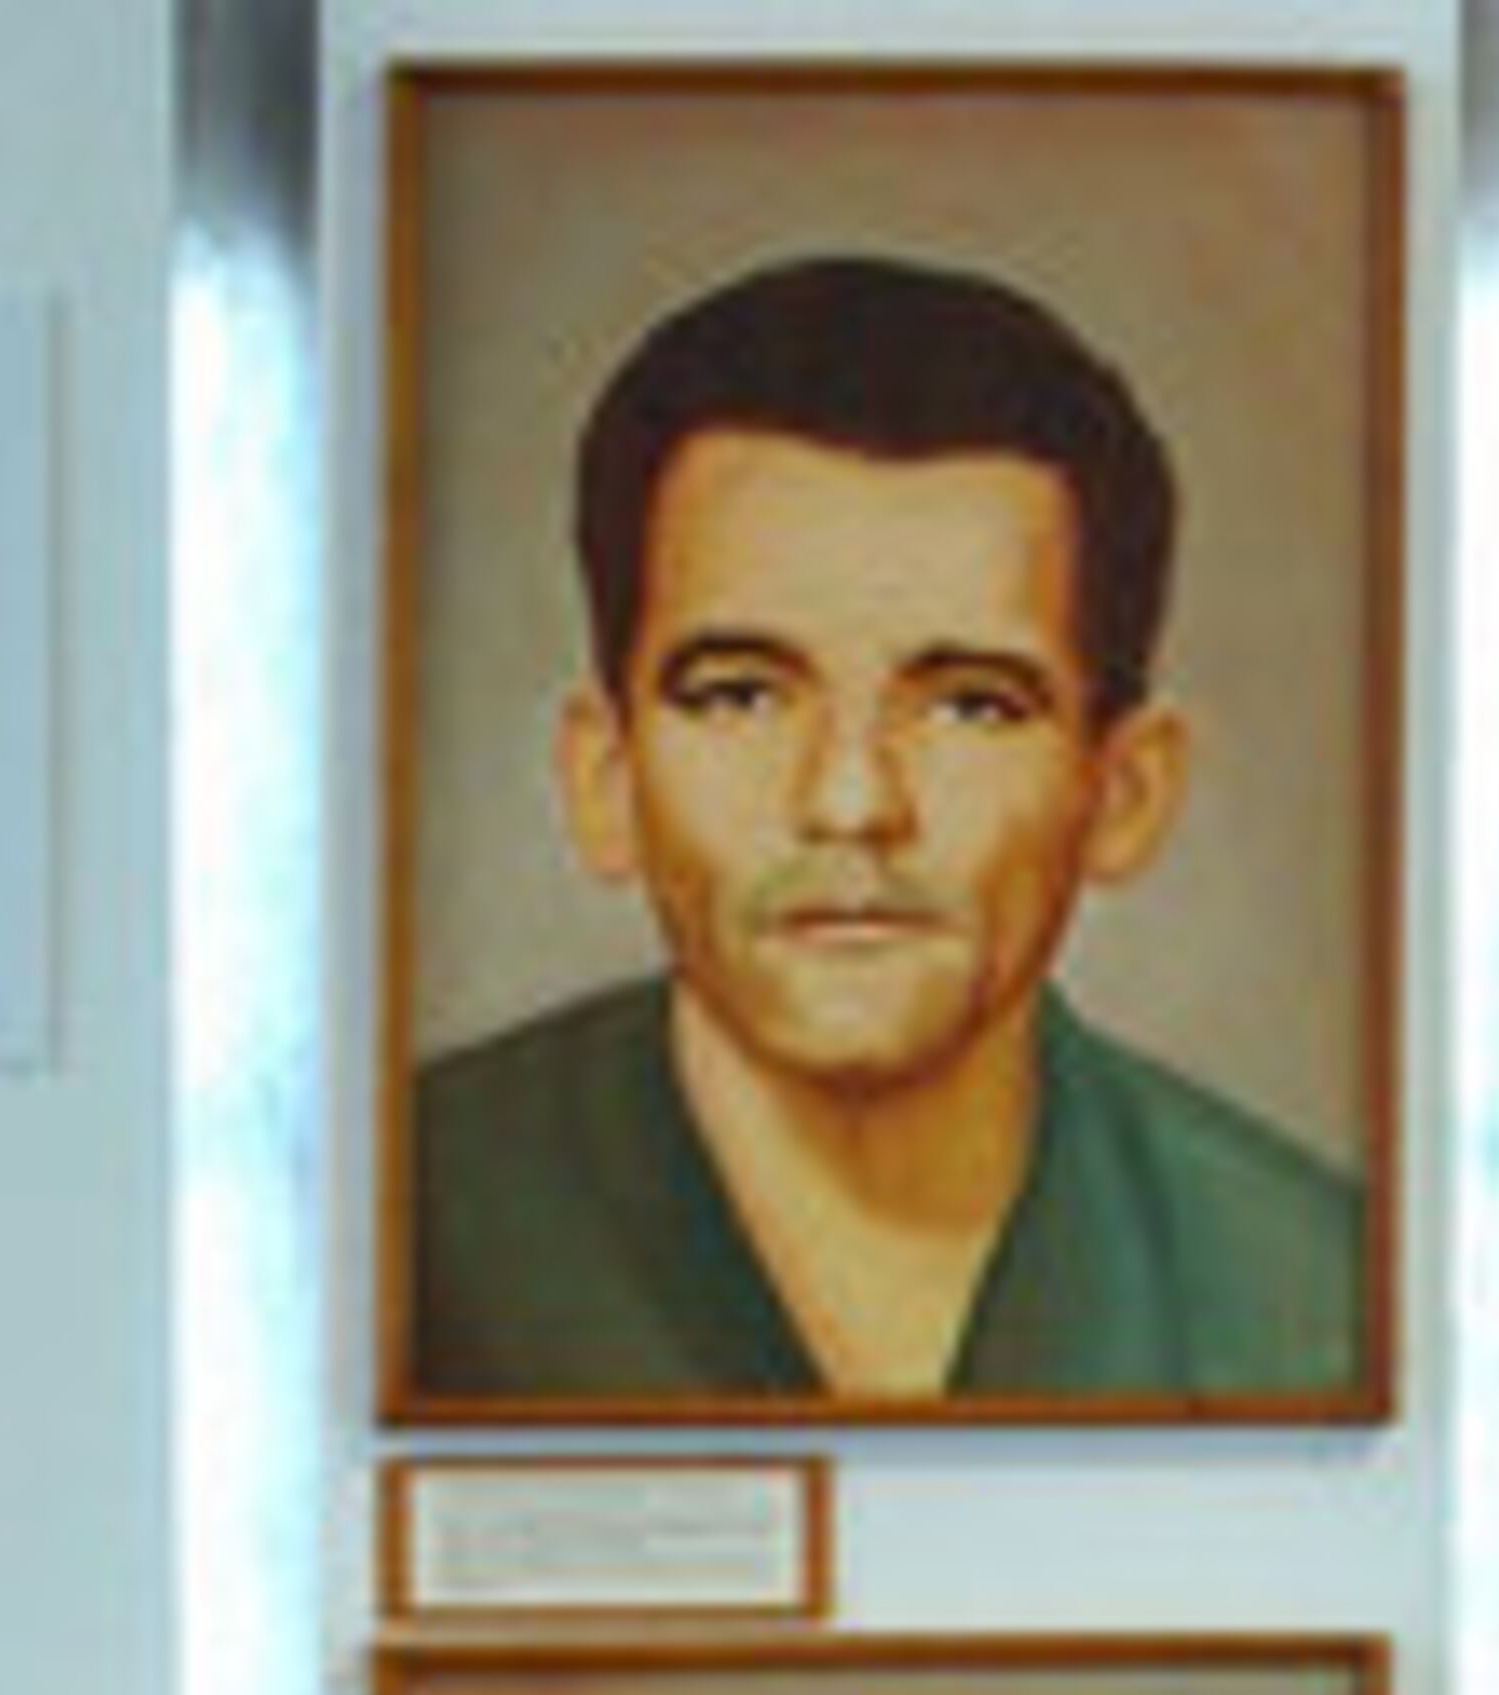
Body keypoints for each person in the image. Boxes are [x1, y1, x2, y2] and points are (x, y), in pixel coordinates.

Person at [408, 248, 1365, 1408]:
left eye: (972, 706)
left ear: (1123, 793)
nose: (852, 801)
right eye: (741, 695)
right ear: (605, 777)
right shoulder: (396, 1216)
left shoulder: (1312, 1290)